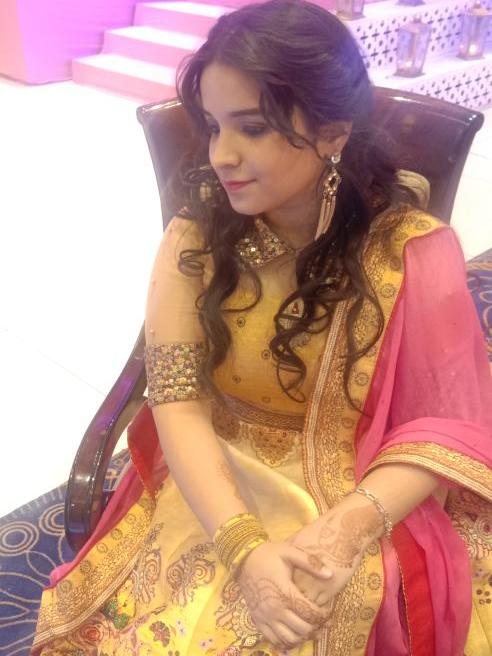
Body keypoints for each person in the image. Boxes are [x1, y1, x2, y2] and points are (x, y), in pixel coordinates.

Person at [32, 1, 492, 654]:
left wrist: (345, 530)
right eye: (213, 126)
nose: (221, 155)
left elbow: (443, 426)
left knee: (340, 608)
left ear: (332, 132)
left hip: (366, 482)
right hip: (214, 477)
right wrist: (245, 547)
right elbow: (177, 398)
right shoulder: (196, 239)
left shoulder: (410, 252)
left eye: (251, 128)